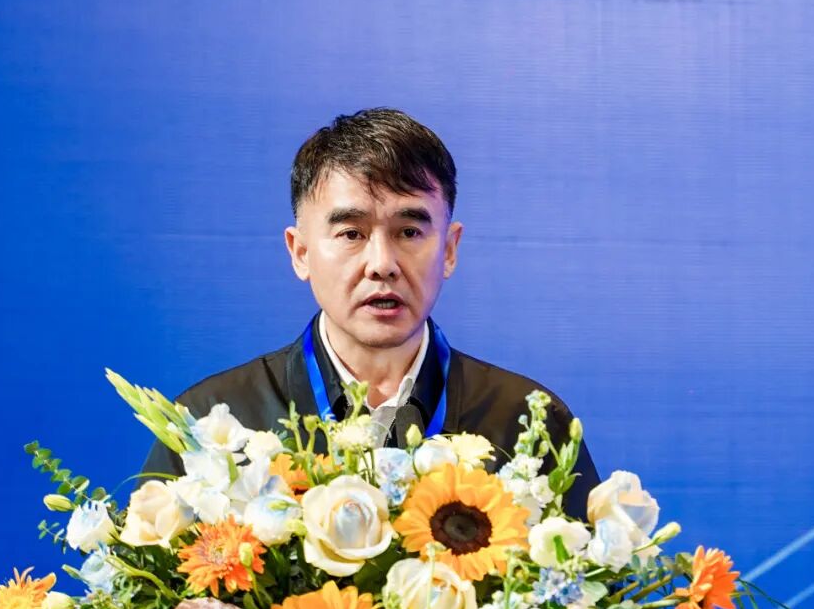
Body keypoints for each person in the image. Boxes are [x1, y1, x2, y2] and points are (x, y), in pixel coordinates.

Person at [141, 108, 600, 519]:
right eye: (351, 234)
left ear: (449, 249)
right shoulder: (211, 426)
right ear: (300, 252)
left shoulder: (528, 424)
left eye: (409, 231)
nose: (382, 264)